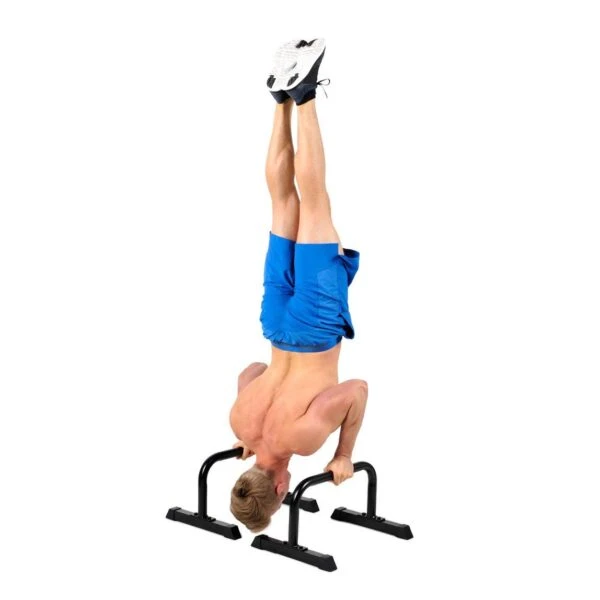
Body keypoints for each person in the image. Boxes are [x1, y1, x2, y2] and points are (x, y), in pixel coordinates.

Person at [229, 39, 368, 533]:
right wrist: (250, 440)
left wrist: (343, 454)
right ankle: (280, 101)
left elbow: (356, 391)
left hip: (314, 325)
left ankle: (304, 93)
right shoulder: (240, 422)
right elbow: (251, 371)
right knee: (282, 202)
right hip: (275, 324)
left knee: (315, 202)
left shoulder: (301, 441)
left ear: (281, 490)